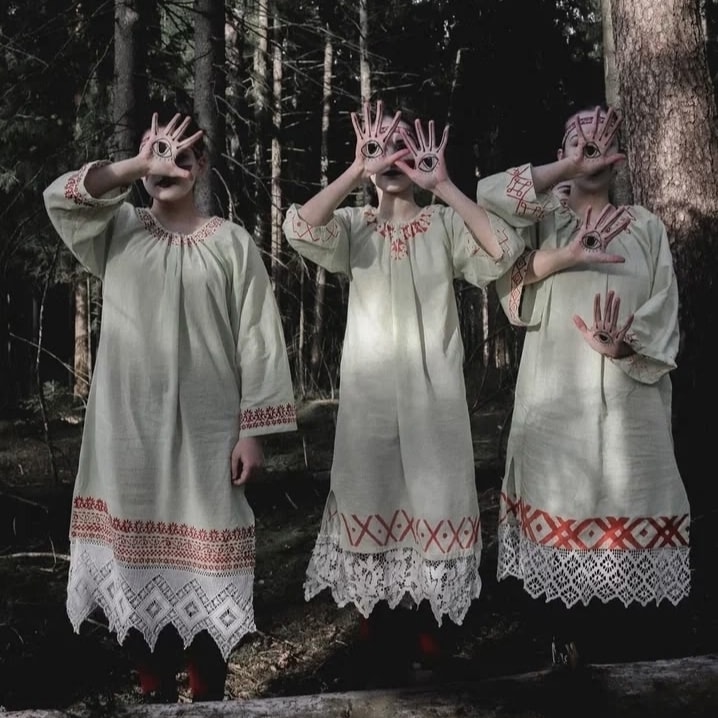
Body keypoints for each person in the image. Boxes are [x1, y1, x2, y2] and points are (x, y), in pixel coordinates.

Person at [43, 111, 297, 702]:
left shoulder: (231, 243)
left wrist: (253, 430)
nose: (168, 167)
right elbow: (59, 197)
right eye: (158, 154)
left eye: (183, 156)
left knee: (207, 565)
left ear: (201, 166)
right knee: (134, 572)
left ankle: (208, 698)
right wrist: (136, 164)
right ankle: (152, 693)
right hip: (128, 432)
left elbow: (258, 338)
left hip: (208, 433)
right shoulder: (117, 229)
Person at [282, 100, 524, 680]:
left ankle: (434, 653)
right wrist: (354, 171)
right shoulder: (354, 227)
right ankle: (380, 658)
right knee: (372, 502)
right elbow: (299, 229)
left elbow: (505, 249)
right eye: (381, 146)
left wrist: (444, 186)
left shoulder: (443, 226)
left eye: (402, 146)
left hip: (433, 404)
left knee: (435, 507)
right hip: (368, 407)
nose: (391, 157)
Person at [475, 105, 691, 668]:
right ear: (561, 152)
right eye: (576, 137)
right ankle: (564, 663)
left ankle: (633, 670)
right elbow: (487, 196)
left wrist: (624, 345)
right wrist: (566, 179)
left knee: (627, 549)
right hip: (553, 411)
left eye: (599, 137)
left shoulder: (645, 226)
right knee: (559, 553)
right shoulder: (544, 221)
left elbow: (665, 309)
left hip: (628, 412)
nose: (588, 142)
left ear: (618, 154)